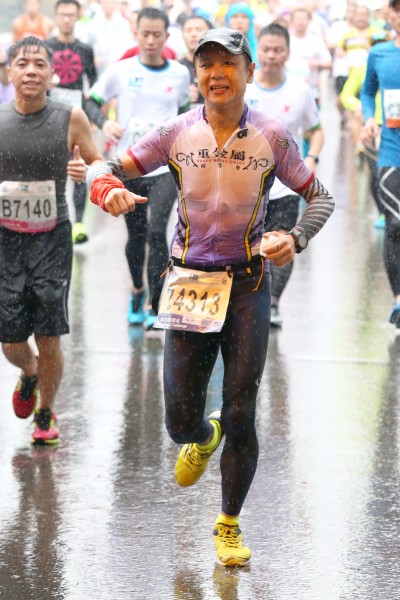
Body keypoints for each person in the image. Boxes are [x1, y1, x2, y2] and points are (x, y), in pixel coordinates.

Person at [87, 27, 334, 566]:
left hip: (247, 286)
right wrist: (104, 187)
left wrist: (295, 237)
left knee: (243, 409)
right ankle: (203, 434)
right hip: (189, 285)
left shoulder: (273, 136)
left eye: (228, 64)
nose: (217, 74)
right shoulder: (176, 131)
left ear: (248, 73)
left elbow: (321, 197)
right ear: (195, 75)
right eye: (207, 65)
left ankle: (228, 523)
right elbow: (108, 166)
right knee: (179, 421)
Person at [0, 37, 102, 444]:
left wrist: (85, 171)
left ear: (52, 74)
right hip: (6, 239)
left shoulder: (70, 117)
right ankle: (29, 371)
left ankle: (45, 412)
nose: (30, 70)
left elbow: (99, 163)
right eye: (22, 63)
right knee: (10, 340)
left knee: (48, 332)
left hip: (52, 238)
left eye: (39, 64)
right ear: (9, 72)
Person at [85, 7, 190, 330]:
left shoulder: (180, 74)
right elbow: (91, 101)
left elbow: (186, 112)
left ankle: (155, 305)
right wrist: (105, 123)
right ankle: (137, 290)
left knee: (158, 232)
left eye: (157, 34)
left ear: (166, 37)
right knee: (137, 234)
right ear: (136, 34)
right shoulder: (120, 70)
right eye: (145, 34)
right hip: (128, 166)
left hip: (164, 169)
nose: (150, 40)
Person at [245, 22, 324, 327]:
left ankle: (273, 302)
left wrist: (312, 157)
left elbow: (317, 130)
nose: (271, 56)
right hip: (246, 185)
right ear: (257, 52)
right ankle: (246, 300)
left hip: (286, 185)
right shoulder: (244, 87)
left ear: (288, 53)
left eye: (278, 50)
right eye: (266, 49)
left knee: (282, 241)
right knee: (247, 245)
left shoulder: (300, 90)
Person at [361, 0, 400, 329]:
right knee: (396, 223)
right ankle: (399, 299)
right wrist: (368, 118)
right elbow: (367, 92)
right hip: (391, 151)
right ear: (390, 13)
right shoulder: (380, 54)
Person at [47, 0, 98, 245]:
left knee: (79, 168)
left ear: (77, 17)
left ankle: (78, 223)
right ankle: (53, 221)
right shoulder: (46, 46)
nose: (66, 19)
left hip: (77, 116)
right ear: (55, 16)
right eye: (62, 14)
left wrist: (94, 116)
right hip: (50, 117)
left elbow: (93, 84)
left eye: (70, 15)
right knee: (52, 170)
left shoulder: (85, 49)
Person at [179, 14, 212, 110]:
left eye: (199, 29)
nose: (193, 34)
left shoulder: (219, 67)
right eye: (188, 30)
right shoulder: (177, 68)